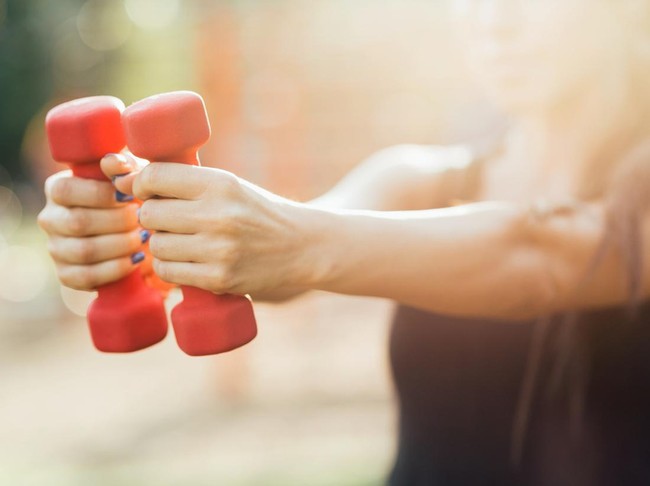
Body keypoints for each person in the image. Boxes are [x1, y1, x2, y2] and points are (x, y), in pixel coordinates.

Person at [38, 0, 650, 484]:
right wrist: (142, 234)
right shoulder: (416, 176)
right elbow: (293, 254)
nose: (492, 18)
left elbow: (539, 256)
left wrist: (292, 241)